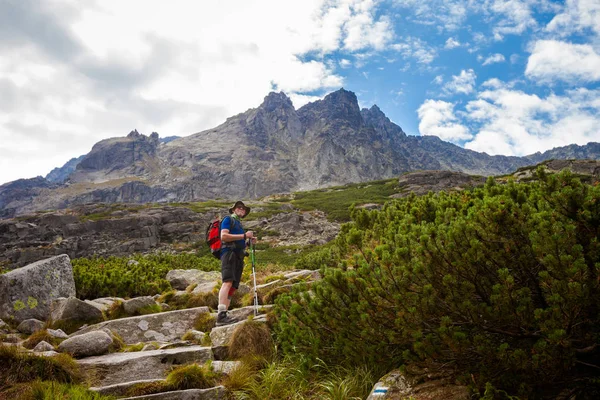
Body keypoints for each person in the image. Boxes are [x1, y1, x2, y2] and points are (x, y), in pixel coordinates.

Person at [216, 200, 255, 325]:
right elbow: (224, 236)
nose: (242, 210)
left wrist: (248, 242)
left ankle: (225, 315)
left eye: (243, 209)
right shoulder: (228, 219)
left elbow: (241, 241)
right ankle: (221, 315)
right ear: (233, 210)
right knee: (227, 282)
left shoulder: (238, 224)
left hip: (238, 256)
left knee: (232, 287)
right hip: (228, 253)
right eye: (239, 208)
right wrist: (244, 236)